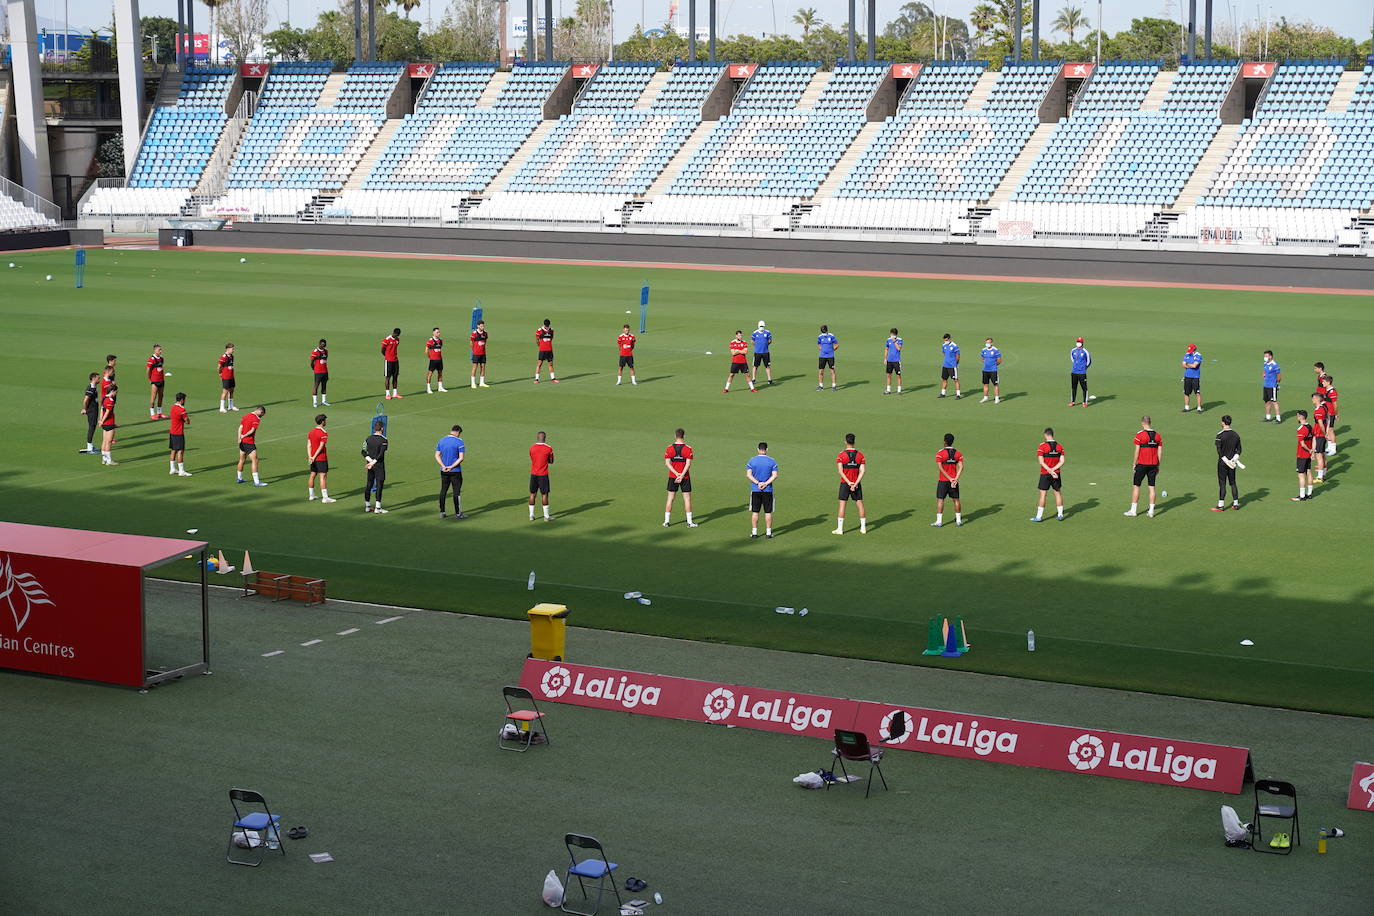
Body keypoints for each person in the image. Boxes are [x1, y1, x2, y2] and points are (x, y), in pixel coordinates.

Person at [1124, 416, 1162, 517]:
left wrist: (1134, 463)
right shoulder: (1158, 435)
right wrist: (1158, 465)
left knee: (1136, 486)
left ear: (1142, 423)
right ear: (1150, 422)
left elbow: (1137, 451)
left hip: (1142, 464)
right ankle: (1151, 511)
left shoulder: (1140, 435)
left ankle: (1133, 510)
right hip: (1153, 465)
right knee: (1152, 487)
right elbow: (1160, 451)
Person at [663, 428, 697, 527]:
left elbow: (667, 463)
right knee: (687, 499)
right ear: (684, 436)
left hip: (672, 477)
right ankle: (690, 522)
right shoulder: (688, 448)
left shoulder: (669, 448)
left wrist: (676, 474)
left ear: (675, 436)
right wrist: (681, 475)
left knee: (670, 498)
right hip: (685, 477)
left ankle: (666, 522)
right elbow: (688, 464)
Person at [833, 433, 866, 535]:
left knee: (842, 505)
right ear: (854, 442)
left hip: (845, 483)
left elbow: (840, 471)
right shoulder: (860, 455)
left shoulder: (841, 455)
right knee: (859, 504)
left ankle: (840, 529)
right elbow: (863, 471)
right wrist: (855, 483)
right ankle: (863, 528)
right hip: (856, 484)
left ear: (845, 442)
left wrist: (849, 483)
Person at [1030, 428, 1065, 522]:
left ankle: (1038, 517)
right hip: (1056, 474)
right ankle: (1060, 515)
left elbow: (1041, 461)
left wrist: (1049, 470)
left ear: (1045, 435)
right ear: (1052, 434)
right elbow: (1062, 461)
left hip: (1045, 473)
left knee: (1043, 494)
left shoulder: (1042, 446)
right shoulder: (1059, 446)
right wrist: (1054, 470)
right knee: (1057, 493)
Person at [746, 442, 778, 538]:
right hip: (768, 490)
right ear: (767, 449)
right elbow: (775, 475)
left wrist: (758, 483)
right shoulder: (772, 461)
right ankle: (768, 533)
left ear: (758, 449)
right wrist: (765, 483)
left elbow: (748, 475)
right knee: (768, 512)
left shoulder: (752, 461)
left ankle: (754, 533)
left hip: (755, 490)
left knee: (755, 512)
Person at [932, 433, 963, 527]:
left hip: (943, 480)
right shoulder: (958, 453)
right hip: (954, 481)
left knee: (940, 500)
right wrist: (955, 479)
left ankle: (939, 521)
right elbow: (961, 467)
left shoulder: (940, 453)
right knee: (956, 500)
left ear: (945, 441)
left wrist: (949, 478)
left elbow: (940, 468)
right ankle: (958, 521)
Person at [1213, 415, 1243, 511]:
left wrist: (1226, 460)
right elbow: (1239, 449)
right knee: (1233, 483)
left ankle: (1221, 505)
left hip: (1223, 463)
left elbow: (1219, 450)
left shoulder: (1219, 435)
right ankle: (1236, 504)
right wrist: (1234, 459)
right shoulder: (1236, 435)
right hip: (1232, 463)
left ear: (1223, 422)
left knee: (1222, 484)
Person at [436, 424, 466, 519]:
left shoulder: (441, 440)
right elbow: (461, 458)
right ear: (457, 432)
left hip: (443, 470)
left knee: (443, 490)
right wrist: (451, 466)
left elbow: (437, 455)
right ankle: (458, 514)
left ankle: (442, 512)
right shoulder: (459, 442)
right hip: (455, 471)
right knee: (456, 492)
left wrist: (443, 466)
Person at [236, 406, 268, 486]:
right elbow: (252, 430)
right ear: (260, 411)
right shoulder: (256, 419)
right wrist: (244, 436)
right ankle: (257, 482)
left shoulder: (245, 416)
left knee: (242, 460)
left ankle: (239, 478)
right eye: (262, 414)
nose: (261, 416)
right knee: (255, 460)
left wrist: (239, 437)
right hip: (249, 442)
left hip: (242, 442)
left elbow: (240, 427)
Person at [307, 414, 335, 503]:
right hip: (321, 458)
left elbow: (309, 445)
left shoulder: (311, 432)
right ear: (322, 422)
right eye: (325, 420)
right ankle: (325, 497)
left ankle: (311, 495)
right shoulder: (323, 433)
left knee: (312, 475)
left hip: (312, 458)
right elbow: (321, 446)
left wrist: (310, 457)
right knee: (323, 476)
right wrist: (314, 456)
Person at [363, 419, 389, 513]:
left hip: (370, 466)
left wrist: (369, 462)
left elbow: (363, 451)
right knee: (379, 485)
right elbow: (381, 454)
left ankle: (367, 506)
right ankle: (378, 508)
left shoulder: (368, 438)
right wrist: (373, 462)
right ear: (382, 428)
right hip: (379, 465)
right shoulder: (384, 440)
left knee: (369, 484)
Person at [528, 430, 554, 520]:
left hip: (533, 474)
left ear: (537, 437)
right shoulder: (549, 448)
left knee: (532, 494)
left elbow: (532, 458)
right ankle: (546, 516)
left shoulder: (532, 448)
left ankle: (531, 515)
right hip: (543, 475)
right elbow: (551, 461)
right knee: (544, 494)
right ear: (545, 438)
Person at [1292, 410, 1315, 501]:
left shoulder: (1301, 429)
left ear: (1301, 417)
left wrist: (1309, 450)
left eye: (1297, 416)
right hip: (1308, 455)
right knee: (1308, 472)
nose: (1297, 418)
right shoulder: (1310, 427)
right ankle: (1309, 493)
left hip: (1302, 455)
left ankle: (1302, 496)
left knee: (1301, 475)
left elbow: (1302, 444)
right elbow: (1314, 439)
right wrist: (1312, 451)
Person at [1311, 391, 1332, 482]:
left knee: (1319, 456)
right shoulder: (1324, 407)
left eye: (1313, 398)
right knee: (1322, 455)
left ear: (1317, 399)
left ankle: (1319, 477)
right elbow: (1328, 419)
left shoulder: (1318, 410)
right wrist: (1327, 432)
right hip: (1321, 434)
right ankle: (1323, 474)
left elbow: (1320, 423)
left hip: (1319, 434)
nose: (1312, 400)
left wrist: (1325, 433)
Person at [168, 392, 191, 476]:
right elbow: (187, 421)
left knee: (173, 450)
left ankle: (172, 469)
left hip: (172, 432)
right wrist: (187, 417)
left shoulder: (173, 407)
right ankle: (181, 471)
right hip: (179, 433)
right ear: (181, 400)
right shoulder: (182, 410)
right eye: (184, 399)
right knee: (180, 451)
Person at [78, 372, 101, 454]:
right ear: (94, 378)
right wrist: (85, 409)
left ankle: (91, 446)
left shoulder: (93, 387)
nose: (99, 379)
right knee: (92, 427)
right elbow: (85, 400)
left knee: (93, 427)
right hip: (91, 411)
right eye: (98, 378)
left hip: (94, 410)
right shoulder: (90, 388)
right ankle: (89, 447)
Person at [98, 383, 119, 466]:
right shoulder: (110, 400)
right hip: (109, 423)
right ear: (112, 391)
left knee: (104, 441)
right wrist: (103, 421)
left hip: (104, 423)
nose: (116, 394)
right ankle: (109, 461)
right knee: (108, 442)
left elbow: (101, 410)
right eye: (116, 392)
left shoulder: (104, 398)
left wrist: (100, 420)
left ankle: (104, 459)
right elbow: (107, 412)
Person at [1317, 372, 1338, 453]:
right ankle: (1329, 447)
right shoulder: (1327, 390)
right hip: (1326, 413)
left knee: (1330, 430)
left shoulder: (1332, 392)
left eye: (1324, 381)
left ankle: (1333, 449)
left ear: (1328, 382)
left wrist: (1335, 414)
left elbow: (1335, 404)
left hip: (1330, 414)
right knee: (1327, 430)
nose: (1322, 383)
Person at [147, 344, 168, 419]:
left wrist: (163, 375)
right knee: (153, 398)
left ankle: (159, 413)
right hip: (155, 381)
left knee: (161, 396)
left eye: (161, 349)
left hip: (161, 380)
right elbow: (148, 370)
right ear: (155, 350)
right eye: (159, 349)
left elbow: (161, 368)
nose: (161, 351)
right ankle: (152, 414)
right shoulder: (151, 359)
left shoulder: (162, 358)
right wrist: (150, 379)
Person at [1069, 337, 1091, 407]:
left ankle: (1085, 402)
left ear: (1082, 343)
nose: (1078, 343)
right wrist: (1076, 366)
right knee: (1073, 387)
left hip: (1082, 373)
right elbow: (1072, 359)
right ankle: (1072, 401)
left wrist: (1084, 368)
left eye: (1080, 342)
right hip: (1074, 372)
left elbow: (1089, 362)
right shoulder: (1073, 350)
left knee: (1084, 388)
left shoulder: (1085, 351)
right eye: (1077, 341)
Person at [1181, 344, 1203, 413]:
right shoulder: (1187, 354)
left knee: (1197, 392)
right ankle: (1186, 407)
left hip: (1195, 377)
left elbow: (1195, 365)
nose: (1189, 352)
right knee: (1186, 392)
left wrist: (1187, 364)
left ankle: (1199, 408)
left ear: (1194, 349)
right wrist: (1189, 365)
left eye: (1191, 350)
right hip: (1187, 376)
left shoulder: (1198, 355)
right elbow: (1183, 365)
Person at [1261, 350, 1282, 422]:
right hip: (1265, 385)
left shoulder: (1275, 365)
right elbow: (1264, 371)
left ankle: (1278, 418)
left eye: (1266, 356)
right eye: (1264, 356)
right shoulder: (1265, 363)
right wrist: (1264, 374)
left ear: (1270, 356)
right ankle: (1268, 417)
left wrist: (1277, 385)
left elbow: (1279, 376)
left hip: (1272, 386)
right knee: (1267, 401)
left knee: (1274, 402)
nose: (1265, 357)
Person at [750, 321, 774, 385]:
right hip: (757, 353)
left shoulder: (767, 332)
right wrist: (758, 346)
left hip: (765, 352)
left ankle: (769, 379)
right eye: (760, 326)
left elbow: (770, 340)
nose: (761, 327)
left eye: (762, 326)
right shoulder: (754, 333)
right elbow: (752, 341)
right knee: (755, 366)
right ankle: (753, 379)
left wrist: (765, 345)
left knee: (767, 366)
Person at [381, 328, 402, 400]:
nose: (397, 336)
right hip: (388, 361)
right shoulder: (387, 340)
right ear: (394, 333)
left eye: (398, 335)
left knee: (395, 376)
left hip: (395, 360)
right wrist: (387, 356)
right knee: (388, 377)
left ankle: (395, 394)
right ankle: (387, 394)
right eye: (396, 335)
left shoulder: (397, 340)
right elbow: (382, 350)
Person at [979, 337, 1001, 404]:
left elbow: (999, 360)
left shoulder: (995, 350)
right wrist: (987, 363)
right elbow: (982, 358)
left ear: (992, 343)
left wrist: (993, 365)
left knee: (995, 384)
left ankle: (997, 398)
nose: (987, 344)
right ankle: (985, 397)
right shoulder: (983, 350)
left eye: (989, 342)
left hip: (993, 370)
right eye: (986, 342)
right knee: (985, 384)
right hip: (985, 370)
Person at [938, 333, 961, 399]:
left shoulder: (955, 346)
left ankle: (958, 395)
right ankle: (943, 393)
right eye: (944, 340)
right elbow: (944, 353)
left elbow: (958, 356)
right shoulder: (943, 345)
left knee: (955, 380)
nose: (945, 341)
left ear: (949, 339)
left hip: (952, 366)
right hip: (945, 365)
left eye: (946, 340)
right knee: (944, 379)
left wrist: (955, 364)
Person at [534, 319, 557, 383]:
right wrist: (540, 346)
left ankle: (553, 378)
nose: (547, 327)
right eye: (546, 325)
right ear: (544, 324)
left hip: (549, 350)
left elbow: (551, 338)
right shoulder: (539, 330)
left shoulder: (551, 330)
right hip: (542, 350)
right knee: (539, 364)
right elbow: (537, 340)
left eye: (548, 326)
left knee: (550, 364)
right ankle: (536, 379)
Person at [425, 328, 447, 395]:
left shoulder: (440, 340)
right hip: (433, 360)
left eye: (439, 332)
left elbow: (440, 349)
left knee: (440, 373)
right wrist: (430, 357)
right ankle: (428, 388)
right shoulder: (430, 341)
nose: (439, 333)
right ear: (433, 333)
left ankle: (440, 387)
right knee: (430, 373)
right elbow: (426, 350)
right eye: (437, 332)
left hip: (439, 359)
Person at [816, 325, 838, 391]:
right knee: (821, 371)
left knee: (832, 371)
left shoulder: (831, 336)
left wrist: (832, 350)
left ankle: (834, 386)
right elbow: (818, 344)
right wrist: (821, 349)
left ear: (826, 330)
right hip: (822, 357)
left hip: (830, 357)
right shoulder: (820, 337)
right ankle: (821, 386)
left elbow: (837, 344)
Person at [311, 339, 331, 407]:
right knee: (316, 386)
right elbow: (311, 362)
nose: (323, 345)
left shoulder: (326, 351)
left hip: (325, 371)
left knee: (324, 386)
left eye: (324, 344)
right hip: (318, 372)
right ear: (319, 344)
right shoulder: (315, 351)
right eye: (322, 344)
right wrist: (314, 368)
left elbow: (325, 360)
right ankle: (315, 402)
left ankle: (324, 401)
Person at [470, 320, 489, 388]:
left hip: (483, 353)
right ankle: (473, 383)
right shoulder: (474, 333)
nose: (482, 327)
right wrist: (474, 350)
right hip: (476, 353)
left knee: (483, 367)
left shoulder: (485, 333)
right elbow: (471, 343)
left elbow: (485, 341)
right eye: (481, 326)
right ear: (478, 326)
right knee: (475, 367)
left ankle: (482, 382)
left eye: (483, 326)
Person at [217, 344, 236, 412]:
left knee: (232, 390)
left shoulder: (232, 356)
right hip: (226, 377)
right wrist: (220, 373)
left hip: (231, 376)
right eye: (232, 349)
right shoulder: (223, 357)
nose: (233, 350)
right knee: (225, 391)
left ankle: (230, 406)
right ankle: (221, 408)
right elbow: (219, 367)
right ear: (228, 349)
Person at [883, 329, 903, 395]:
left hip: (896, 361)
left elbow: (899, 348)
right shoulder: (888, 340)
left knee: (898, 376)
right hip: (889, 361)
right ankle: (888, 390)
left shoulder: (899, 340)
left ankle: (899, 390)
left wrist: (894, 342)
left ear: (894, 334)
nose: (891, 335)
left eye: (891, 334)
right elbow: (886, 349)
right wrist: (885, 358)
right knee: (888, 375)